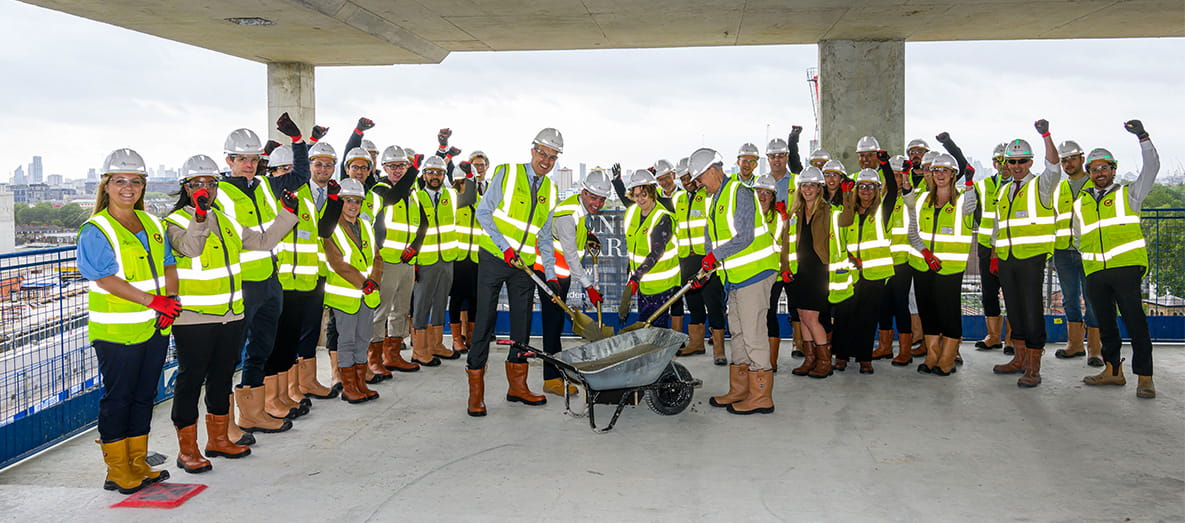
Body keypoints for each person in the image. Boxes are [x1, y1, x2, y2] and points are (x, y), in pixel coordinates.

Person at [164, 154, 299, 473]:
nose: (206, 189)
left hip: (230, 314)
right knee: (190, 379)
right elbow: (191, 248)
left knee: (222, 377)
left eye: (211, 184)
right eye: (198, 184)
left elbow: (263, 242)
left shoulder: (225, 220)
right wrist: (198, 217)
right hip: (194, 319)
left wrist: (287, 214)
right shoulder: (174, 223)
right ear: (186, 187)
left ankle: (218, 439)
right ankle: (187, 450)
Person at [79, 148, 176, 494]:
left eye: (135, 181)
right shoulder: (96, 229)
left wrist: (171, 302)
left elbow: (167, 264)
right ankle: (117, 470)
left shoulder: (150, 222)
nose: (127, 188)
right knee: (118, 398)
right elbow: (104, 278)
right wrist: (156, 302)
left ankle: (137, 461)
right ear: (106, 186)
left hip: (154, 327)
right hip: (117, 333)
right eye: (119, 181)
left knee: (144, 395)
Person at [216, 114, 310, 432]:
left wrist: (298, 142)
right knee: (231, 356)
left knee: (262, 349)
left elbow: (300, 175)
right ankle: (225, 424)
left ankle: (252, 414)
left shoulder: (266, 187)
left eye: (253, 159)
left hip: (270, 280)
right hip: (242, 285)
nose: (248, 164)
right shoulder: (221, 195)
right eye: (242, 158)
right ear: (229, 160)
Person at [466, 128, 563, 416]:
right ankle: (476, 393)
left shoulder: (550, 190)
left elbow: (544, 238)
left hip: (524, 267)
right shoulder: (507, 174)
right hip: (495, 259)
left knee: (522, 324)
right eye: (543, 153)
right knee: (484, 323)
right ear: (532, 151)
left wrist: (552, 275)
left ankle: (517, 387)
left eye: (552, 156)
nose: (546, 160)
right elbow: (483, 212)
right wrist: (505, 248)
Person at [689, 148, 779, 415]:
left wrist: (713, 257)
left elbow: (744, 237)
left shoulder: (739, 192)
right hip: (736, 277)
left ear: (713, 171)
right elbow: (712, 240)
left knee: (753, 334)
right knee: (738, 333)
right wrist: (706, 267)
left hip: (756, 273)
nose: (698, 183)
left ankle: (762, 396)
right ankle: (741, 389)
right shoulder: (714, 198)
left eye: (700, 177)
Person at [1077, 120, 1160, 398]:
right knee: (1105, 324)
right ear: (1088, 172)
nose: (1099, 172)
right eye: (1094, 168)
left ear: (1113, 170)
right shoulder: (1082, 202)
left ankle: (1144, 377)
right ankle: (1113, 371)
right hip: (1095, 271)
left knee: (1136, 323)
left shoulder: (1129, 194)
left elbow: (1151, 169)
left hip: (1125, 269)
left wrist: (1143, 137)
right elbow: (1078, 236)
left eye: (1104, 167)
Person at [990, 119, 1063, 388]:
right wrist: (997, 255)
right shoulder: (1006, 190)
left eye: (1022, 161)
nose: (1017, 166)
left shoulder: (1041, 186)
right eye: (1012, 162)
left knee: (1032, 312)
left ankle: (1033, 366)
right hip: (1008, 259)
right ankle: (1019, 359)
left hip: (1031, 259)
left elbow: (1054, 167)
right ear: (1006, 164)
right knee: (1015, 311)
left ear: (1030, 162)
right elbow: (1000, 226)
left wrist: (1046, 135)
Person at [275, 140, 344, 407]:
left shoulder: (331, 194)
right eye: (318, 164)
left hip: (316, 273)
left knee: (311, 329)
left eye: (328, 165)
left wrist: (335, 202)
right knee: (292, 332)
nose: (323, 169)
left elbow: (324, 231)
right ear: (309, 166)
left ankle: (308, 381)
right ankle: (292, 387)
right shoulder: (295, 190)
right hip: (289, 275)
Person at [537, 169, 611, 396]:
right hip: (549, 274)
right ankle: (551, 380)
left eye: (601, 199)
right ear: (583, 192)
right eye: (593, 197)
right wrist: (589, 287)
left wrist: (587, 235)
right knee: (552, 325)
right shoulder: (567, 215)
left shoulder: (579, 208)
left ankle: (558, 371)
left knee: (557, 323)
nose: (597, 203)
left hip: (562, 274)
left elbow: (573, 238)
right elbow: (570, 255)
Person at [906, 153, 977, 376]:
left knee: (948, 313)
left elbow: (973, 201)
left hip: (950, 269)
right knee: (927, 312)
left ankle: (947, 358)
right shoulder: (920, 200)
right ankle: (933, 355)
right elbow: (912, 232)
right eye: (936, 170)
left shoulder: (965, 202)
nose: (940, 175)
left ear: (953, 175)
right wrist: (926, 254)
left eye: (945, 171)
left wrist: (970, 183)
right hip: (923, 265)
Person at [833, 153, 899, 374]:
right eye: (862, 186)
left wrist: (885, 164)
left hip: (874, 274)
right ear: (856, 189)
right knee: (844, 314)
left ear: (878, 190)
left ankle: (864, 359)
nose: (866, 191)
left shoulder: (883, 211)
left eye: (871, 187)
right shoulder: (846, 211)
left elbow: (893, 190)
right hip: (849, 272)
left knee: (867, 317)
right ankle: (841, 356)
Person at [409, 155, 475, 364]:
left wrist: (469, 175)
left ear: (444, 175)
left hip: (447, 259)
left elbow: (471, 197)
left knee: (440, 303)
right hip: (425, 260)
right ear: (424, 175)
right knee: (421, 305)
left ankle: (436, 344)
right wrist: (414, 262)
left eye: (439, 173)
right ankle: (419, 349)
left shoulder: (451, 196)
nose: (435, 176)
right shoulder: (415, 197)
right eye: (431, 172)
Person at [323, 178, 383, 403]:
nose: (353, 205)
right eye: (348, 200)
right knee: (346, 341)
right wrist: (362, 282)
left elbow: (377, 257)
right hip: (345, 295)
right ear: (340, 202)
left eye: (357, 201)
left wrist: (374, 281)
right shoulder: (331, 227)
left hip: (367, 294)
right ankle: (348, 386)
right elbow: (336, 262)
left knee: (363, 339)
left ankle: (360, 383)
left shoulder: (367, 225)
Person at [372, 145, 426, 371]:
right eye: (392, 166)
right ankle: (373, 360)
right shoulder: (380, 190)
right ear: (383, 168)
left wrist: (415, 247)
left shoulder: (413, 194)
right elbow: (394, 197)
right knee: (380, 311)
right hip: (386, 261)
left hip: (406, 262)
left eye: (402, 166)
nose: (397, 170)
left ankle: (392, 355)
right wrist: (413, 171)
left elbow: (423, 224)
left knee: (401, 311)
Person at [672, 159, 729, 365]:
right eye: (683, 178)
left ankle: (719, 349)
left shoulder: (708, 196)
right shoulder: (678, 199)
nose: (686, 182)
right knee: (694, 303)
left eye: (689, 177)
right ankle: (696, 343)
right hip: (686, 258)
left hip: (707, 258)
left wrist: (713, 255)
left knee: (713, 303)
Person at [1050, 139, 1102, 365]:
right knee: (1069, 299)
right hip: (1063, 250)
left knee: (1093, 300)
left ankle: (1095, 349)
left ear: (1082, 159)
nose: (1068, 163)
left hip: (1090, 252)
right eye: (1064, 160)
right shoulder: (1059, 188)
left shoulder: (1095, 184)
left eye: (1072, 158)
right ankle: (1075, 344)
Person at [786, 167, 835, 379]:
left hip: (818, 270)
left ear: (819, 188)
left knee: (812, 317)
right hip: (799, 270)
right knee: (803, 317)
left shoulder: (828, 211)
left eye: (812, 185)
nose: (807, 189)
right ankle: (810, 358)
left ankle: (825, 360)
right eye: (804, 185)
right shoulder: (794, 213)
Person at [620, 170, 680, 328]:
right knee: (644, 324)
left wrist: (635, 277)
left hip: (661, 282)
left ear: (653, 193)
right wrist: (631, 274)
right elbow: (632, 246)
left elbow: (656, 253)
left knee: (656, 328)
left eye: (644, 194)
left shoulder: (662, 217)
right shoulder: (632, 212)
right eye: (636, 195)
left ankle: (658, 352)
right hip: (643, 283)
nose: (640, 199)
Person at [447, 150, 489, 354]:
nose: (465, 184)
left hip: (475, 259)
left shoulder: (480, 201)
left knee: (474, 299)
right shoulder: (453, 201)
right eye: (462, 181)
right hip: (457, 258)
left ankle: (471, 336)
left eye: (468, 181)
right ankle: (456, 338)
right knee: (456, 299)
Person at [973, 143, 1009, 353]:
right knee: (989, 293)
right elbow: (976, 211)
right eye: (999, 161)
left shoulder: (1020, 185)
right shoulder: (983, 185)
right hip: (986, 246)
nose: (1003, 165)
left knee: (1012, 294)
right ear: (993, 163)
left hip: (1011, 247)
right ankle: (993, 336)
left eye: (1007, 161)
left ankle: (1012, 338)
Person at [882, 155, 917, 366]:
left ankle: (905, 350)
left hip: (902, 261)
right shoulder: (881, 197)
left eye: (899, 175)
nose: (895, 179)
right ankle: (885, 347)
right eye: (892, 175)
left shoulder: (909, 199)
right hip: (882, 261)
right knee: (883, 306)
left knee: (901, 305)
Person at [752, 174, 789, 371]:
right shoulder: (747, 215)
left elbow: (785, 245)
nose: (762, 196)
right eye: (759, 191)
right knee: (756, 316)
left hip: (773, 274)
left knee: (769, 314)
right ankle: (758, 358)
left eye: (767, 192)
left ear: (773, 196)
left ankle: (772, 361)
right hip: (752, 274)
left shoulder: (779, 217)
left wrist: (785, 269)